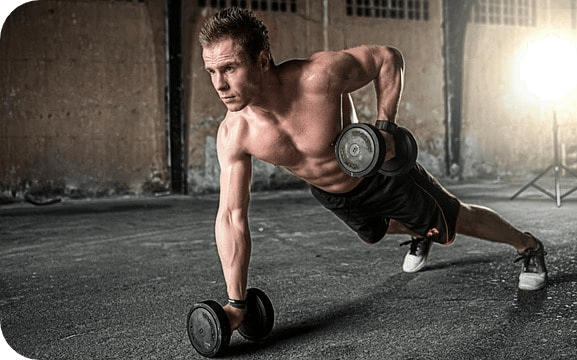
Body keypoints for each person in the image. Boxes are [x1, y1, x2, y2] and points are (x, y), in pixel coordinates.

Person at [199, 8, 548, 331]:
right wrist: (236, 302)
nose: (219, 84)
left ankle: (527, 246)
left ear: (261, 60)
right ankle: (417, 233)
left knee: (454, 218)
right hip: (331, 195)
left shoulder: (318, 77)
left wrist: (386, 127)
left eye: (229, 68)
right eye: (212, 71)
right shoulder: (235, 134)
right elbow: (231, 217)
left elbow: (387, 58)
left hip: (378, 175)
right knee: (375, 232)